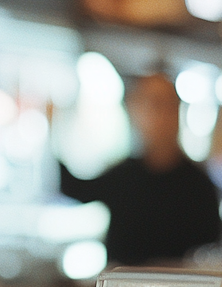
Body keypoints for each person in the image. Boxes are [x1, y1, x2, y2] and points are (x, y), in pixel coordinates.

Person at [59, 72, 221, 265]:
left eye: (165, 104)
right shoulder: (123, 176)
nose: (159, 114)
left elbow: (210, 250)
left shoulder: (199, 185)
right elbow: (76, 189)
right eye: (149, 104)